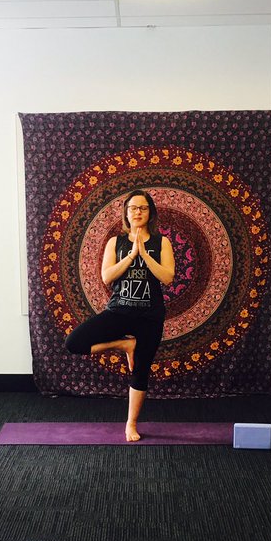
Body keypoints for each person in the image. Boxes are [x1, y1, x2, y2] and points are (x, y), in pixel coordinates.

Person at [65, 189, 175, 441]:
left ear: (150, 213)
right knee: (74, 343)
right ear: (126, 213)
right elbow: (107, 277)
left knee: (141, 370)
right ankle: (125, 344)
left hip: (150, 316)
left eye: (143, 208)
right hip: (119, 311)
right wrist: (132, 256)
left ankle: (131, 424)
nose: (138, 212)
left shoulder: (162, 243)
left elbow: (167, 277)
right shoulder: (116, 242)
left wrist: (145, 255)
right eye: (133, 208)